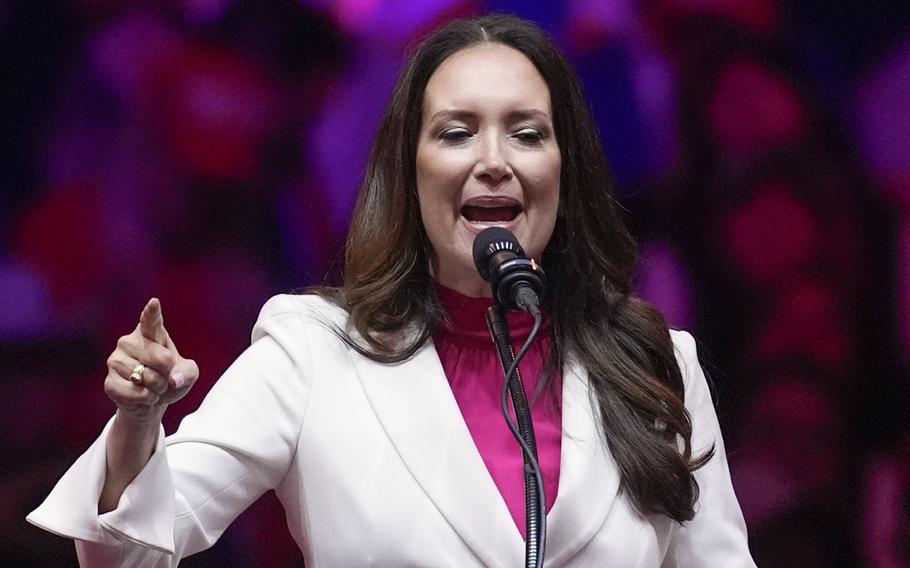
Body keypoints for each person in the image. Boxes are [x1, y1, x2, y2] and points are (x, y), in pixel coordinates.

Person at [27, 14, 755, 567]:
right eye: (457, 133)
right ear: (408, 173)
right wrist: (137, 425)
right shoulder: (312, 352)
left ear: (567, 172)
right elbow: (129, 552)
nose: (494, 161)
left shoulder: (655, 364)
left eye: (528, 133)